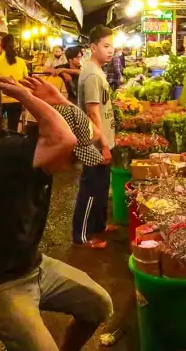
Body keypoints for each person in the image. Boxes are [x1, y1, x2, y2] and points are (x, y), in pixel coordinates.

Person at [0, 76, 113, 351]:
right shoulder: (11, 155)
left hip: (33, 268)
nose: (73, 165)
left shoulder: (41, 155)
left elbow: (89, 132)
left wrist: (60, 101)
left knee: (99, 305)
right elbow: (65, 138)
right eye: (72, 156)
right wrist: (26, 97)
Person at [73, 25, 117, 249]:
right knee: (90, 190)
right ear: (93, 47)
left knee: (101, 187)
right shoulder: (91, 74)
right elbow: (92, 112)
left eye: (112, 46)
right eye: (106, 46)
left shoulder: (97, 71)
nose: (111, 51)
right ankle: (82, 236)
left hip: (103, 142)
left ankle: (99, 225)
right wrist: (103, 145)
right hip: (94, 144)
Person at [0, 33, 30, 132]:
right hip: (16, 99)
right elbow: (25, 80)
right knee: (13, 128)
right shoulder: (21, 62)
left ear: (0, 45)